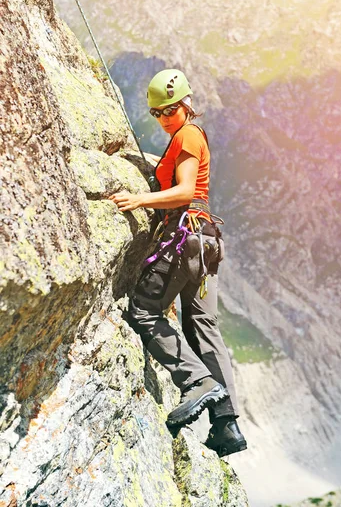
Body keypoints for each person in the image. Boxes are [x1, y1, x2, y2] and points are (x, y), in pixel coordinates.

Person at [109, 69, 247, 457]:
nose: (164, 117)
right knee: (203, 326)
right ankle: (227, 424)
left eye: (170, 109)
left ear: (186, 104)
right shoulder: (186, 139)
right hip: (205, 243)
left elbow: (185, 190)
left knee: (143, 310)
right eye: (156, 113)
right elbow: (188, 180)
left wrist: (140, 199)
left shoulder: (186, 134)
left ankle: (197, 381)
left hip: (184, 237)